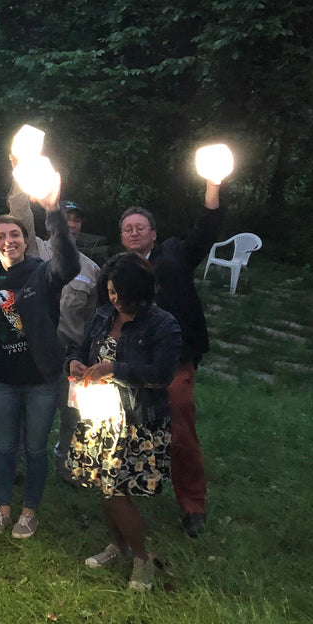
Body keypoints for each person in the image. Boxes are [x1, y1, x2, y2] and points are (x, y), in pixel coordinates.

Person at [66, 253, 182, 590]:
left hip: (135, 422)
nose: (115, 299)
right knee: (103, 486)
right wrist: (74, 362)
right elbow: (80, 348)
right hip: (97, 415)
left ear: (140, 291)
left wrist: (114, 370)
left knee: (115, 490)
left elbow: (161, 374)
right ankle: (118, 546)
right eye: (111, 292)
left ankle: (142, 558)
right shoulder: (103, 315)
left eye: (121, 293)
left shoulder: (163, 324)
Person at [119, 178, 225, 537]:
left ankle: (193, 506)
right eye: (127, 229)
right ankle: (131, 493)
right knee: (129, 430)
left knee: (179, 431)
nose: (134, 233)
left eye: (140, 228)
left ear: (153, 234)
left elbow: (205, 230)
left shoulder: (176, 253)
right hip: (132, 363)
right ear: (122, 237)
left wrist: (213, 184)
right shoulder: (118, 268)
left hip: (175, 360)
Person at [0, 178, 79, 540]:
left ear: (26, 240)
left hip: (40, 379)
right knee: (4, 447)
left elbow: (69, 266)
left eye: (15, 235)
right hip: (1, 380)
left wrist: (53, 213)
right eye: (1, 237)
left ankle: (28, 512)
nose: (9, 241)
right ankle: (3, 509)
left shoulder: (42, 271)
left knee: (35, 449)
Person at [6, 183, 101, 479]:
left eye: (76, 219)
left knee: (71, 414)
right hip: (32, 351)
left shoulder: (91, 269)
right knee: (24, 410)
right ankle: (18, 464)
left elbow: (92, 317)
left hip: (68, 354)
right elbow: (19, 212)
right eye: (65, 217)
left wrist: (86, 354)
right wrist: (19, 172)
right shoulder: (35, 249)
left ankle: (67, 464)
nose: (71, 223)